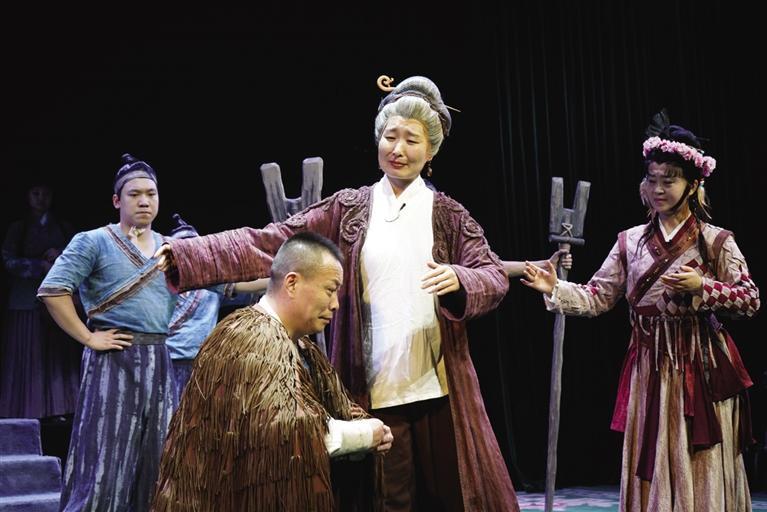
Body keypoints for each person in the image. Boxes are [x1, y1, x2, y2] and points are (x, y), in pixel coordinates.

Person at [157, 74, 523, 511]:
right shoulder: (349, 208)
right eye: (390, 136)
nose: (398, 148)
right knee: (387, 501)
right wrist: (190, 253)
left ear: (431, 152)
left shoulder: (449, 215)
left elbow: (492, 274)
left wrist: (462, 279)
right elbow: (275, 241)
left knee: (456, 498)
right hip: (372, 389)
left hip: (441, 390)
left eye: (411, 140)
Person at [521, 111, 760, 512]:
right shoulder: (630, 242)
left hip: (700, 368)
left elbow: (750, 299)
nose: (659, 188)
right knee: (651, 463)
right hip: (649, 369)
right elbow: (597, 296)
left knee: (699, 460)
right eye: (652, 179)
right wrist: (556, 289)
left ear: (693, 184)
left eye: (670, 180)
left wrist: (703, 287)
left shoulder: (714, 242)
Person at [152, 232, 393, 511]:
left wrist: (367, 425)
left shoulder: (297, 344)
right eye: (330, 290)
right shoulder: (248, 339)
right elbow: (284, 433)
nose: (335, 304)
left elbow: (323, 407)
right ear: (292, 283)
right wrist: (364, 434)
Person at [37, 154, 179, 512]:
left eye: (151, 194)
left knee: (159, 458)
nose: (144, 201)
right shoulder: (93, 241)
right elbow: (53, 290)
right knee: (105, 457)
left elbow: (224, 281)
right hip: (114, 359)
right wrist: (88, 338)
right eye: (134, 194)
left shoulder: (171, 249)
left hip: (159, 361)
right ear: (117, 200)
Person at [0, 182, 81, 419]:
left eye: (45, 194)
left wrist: (60, 254)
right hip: (26, 299)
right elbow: (8, 260)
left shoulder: (64, 228)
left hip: (57, 299)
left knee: (56, 355)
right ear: (27, 196)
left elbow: (79, 258)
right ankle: (23, 408)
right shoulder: (19, 228)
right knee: (28, 354)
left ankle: (59, 408)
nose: (41, 198)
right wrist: (39, 266)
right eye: (35, 193)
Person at [165, 213, 267, 395]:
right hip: (164, 364)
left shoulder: (210, 282)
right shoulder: (158, 282)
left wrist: (282, 275)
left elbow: (247, 286)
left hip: (200, 367)